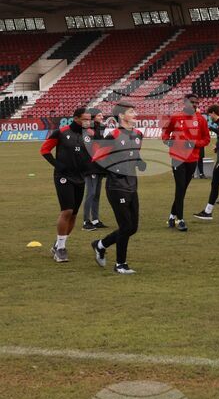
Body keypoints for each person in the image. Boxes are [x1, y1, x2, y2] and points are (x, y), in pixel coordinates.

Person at [89, 101, 145, 275]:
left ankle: (100, 245)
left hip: (132, 184)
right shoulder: (112, 135)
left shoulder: (138, 134)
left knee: (132, 227)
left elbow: (134, 154)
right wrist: (113, 170)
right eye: (131, 111)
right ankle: (120, 264)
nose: (135, 114)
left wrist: (139, 162)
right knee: (126, 225)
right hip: (116, 186)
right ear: (121, 116)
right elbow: (97, 158)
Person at [39, 107, 92, 263]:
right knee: (67, 210)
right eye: (85, 119)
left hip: (80, 178)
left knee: (74, 215)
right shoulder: (61, 133)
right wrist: (57, 165)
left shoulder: (89, 136)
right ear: (76, 119)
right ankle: (61, 250)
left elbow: (91, 156)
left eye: (89, 119)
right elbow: (44, 150)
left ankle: (59, 244)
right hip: (63, 177)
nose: (88, 122)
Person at [163, 94, 211, 232]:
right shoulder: (176, 117)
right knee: (180, 188)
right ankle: (180, 220)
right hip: (177, 158)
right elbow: (166, 132)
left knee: (182, 189)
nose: (195, 105)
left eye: (196, 102)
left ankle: (172, 215)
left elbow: (206, 139)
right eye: (192, 102)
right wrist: (168, 141)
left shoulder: (201, 119)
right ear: (185, 103)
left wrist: (194, 143)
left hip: (193, 159)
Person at [82, 110, 108, 232]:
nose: (102, 117)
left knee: (96, 194)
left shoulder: (98, 129)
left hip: (99, 165)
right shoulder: (88, 130)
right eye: (99, 115)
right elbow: (90, 147)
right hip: (90, 165)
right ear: (93, 118)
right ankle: (86, 221)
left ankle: (95, 220)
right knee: (91, 194)